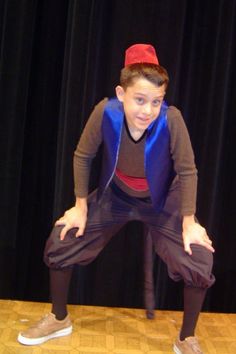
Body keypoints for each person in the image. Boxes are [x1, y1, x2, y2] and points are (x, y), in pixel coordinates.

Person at [18, 44, 215, 353]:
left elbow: (187, 171)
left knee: (199, 258)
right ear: (121, 94)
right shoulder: (105, 112)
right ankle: (59, 318)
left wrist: (189, 222)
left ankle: (186, 338)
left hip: (162, 200)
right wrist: (80, 207)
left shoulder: (171, 119)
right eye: (139, 100)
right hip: (117, 196)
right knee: (62, 239)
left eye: (156, 101)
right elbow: (83, 156)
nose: (147, 111)